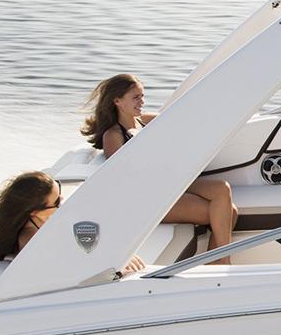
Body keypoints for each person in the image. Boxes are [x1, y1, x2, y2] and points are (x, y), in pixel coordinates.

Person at [82, 73, 238, 261]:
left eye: (142, 96)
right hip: (146, 200)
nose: (142, 101)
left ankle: (217, 262)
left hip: (165, 184)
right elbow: (120, 177)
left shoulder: (144, 121)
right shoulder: (113, 135)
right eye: (136, 97)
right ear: (117, 101)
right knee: (227, 213)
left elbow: (182, 119)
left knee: (223, 190)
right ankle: (222, 261)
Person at [0, 170, 146, 273]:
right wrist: (114, 260)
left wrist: (114, 251)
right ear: (35, 212)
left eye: (60, 193)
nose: (62, 201)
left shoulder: (42, 223)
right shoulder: (31, 242)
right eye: (56, 201)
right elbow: (68, 269)